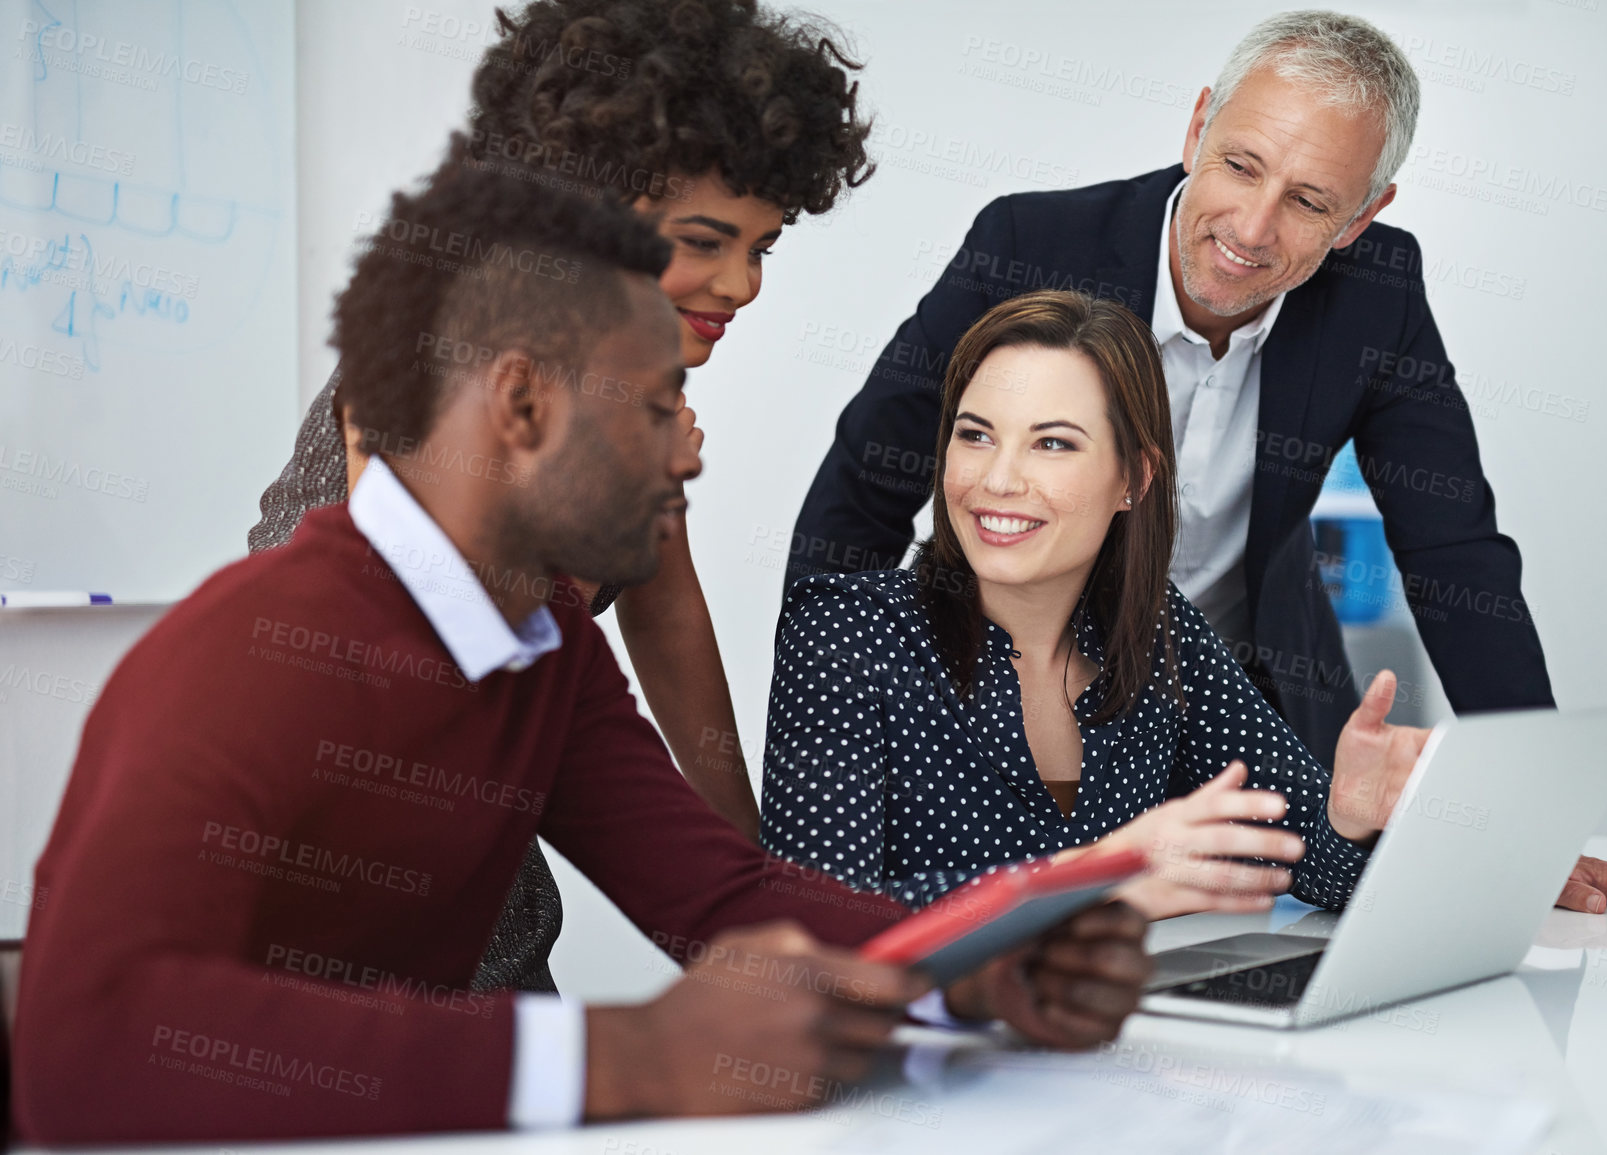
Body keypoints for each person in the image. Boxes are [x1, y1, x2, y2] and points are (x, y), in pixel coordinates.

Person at [12, 150, 1151, 1143]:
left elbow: (718, 894)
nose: (685, 459)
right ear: (521, 406)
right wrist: (624, 1056)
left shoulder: (542, 640)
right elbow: (82, 1054)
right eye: (655, 411)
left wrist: (979, 969)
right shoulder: (251, 650)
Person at [782, 10, 1607, 918]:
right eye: (1240, 164)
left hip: (1232, 678)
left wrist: (1532, 828)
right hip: (996, 664)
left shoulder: (1376, 297)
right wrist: (831, 709)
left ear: (1359, 217)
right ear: (1198, 127)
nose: (1251, 225)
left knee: (1280, 917)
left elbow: (1456, 554)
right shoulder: (1032, 244)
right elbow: (865, 489)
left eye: (1310, 201)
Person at [253, 0, 880, 994]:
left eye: (762, 247)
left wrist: (748, 875)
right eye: (707, 241)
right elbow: (424, 649)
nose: (743, 285)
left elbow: (666, 618)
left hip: (483, 844)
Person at [763, 290, 1431, 916]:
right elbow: (816, 917)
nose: (997, 479)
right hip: (926, 1037)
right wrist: (1096, 875)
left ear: (1131, 480)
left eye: (1052, 443)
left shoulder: (1155, 631)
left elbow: (1311, 863)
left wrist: (1348, 816)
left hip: (1112, 1027)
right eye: (975, 435)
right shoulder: (844, 628)